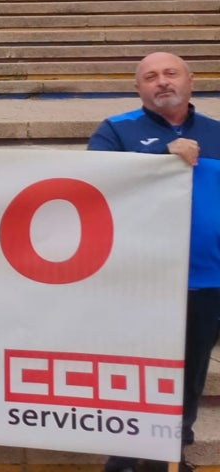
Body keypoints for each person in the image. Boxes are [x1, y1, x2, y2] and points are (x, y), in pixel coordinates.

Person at [89, 52, 220, 472]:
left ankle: (172, 451)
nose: (161, 82)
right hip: (139, 277)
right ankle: (125, 456)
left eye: (170, 73)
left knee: (191, 370)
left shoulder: (218, 133)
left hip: (205, 278)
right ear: (138, 88)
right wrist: (161, 159)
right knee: (133, 370)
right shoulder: (116, 130)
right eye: (150, 76)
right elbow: (95, 188)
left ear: (191, 80)